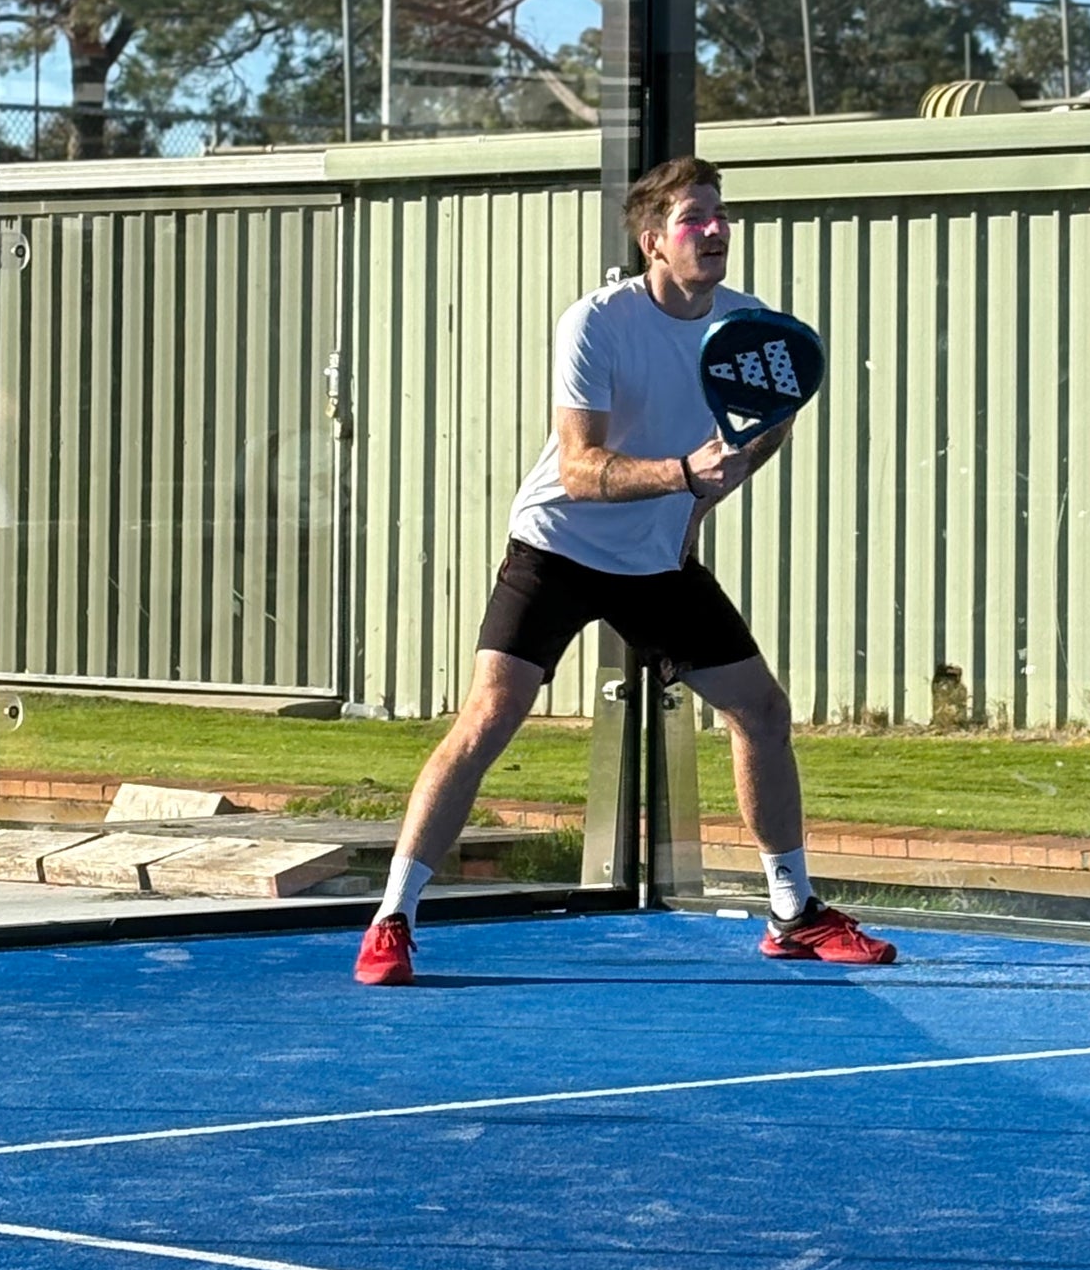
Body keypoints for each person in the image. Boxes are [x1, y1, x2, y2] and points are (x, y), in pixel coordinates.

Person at [355, 154, 897, 984]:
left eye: (719, 215)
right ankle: (392, 918)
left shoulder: (749, 326)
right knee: (490, 715)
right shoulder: (597, 322)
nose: (714, 230)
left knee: (761, 711)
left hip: (655, 561)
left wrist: (702, 502)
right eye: (693, 218)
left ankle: (792, 914)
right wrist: (683, 474)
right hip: (557, 545)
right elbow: (579, 468)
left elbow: (774, 418)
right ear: (653, 240)